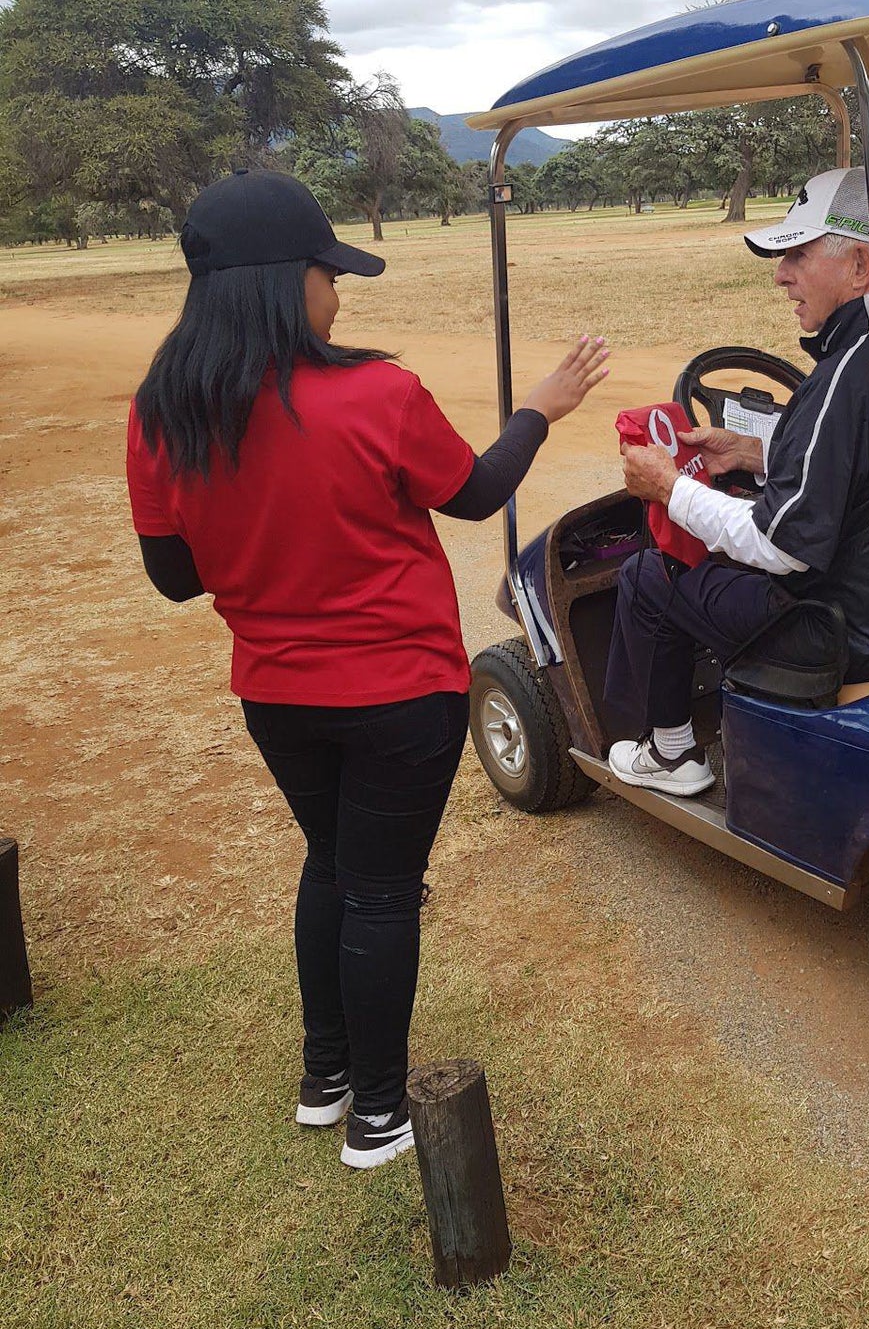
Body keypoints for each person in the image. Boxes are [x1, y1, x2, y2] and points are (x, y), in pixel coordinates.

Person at [126, 169, 608, 1169]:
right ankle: (379, 1114)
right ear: (277, 282)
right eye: (325, 272)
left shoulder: (161, 411)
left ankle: (326, 1077)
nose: (337, 294)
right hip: (401, 690)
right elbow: (473, 496)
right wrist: (541, 410)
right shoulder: (376, 392)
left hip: (274, 690)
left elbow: (173, 577)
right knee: (381, 889)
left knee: (332, 867)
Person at [604, 166, 869, 797]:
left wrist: (670, 488)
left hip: (847, 632)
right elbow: (866, 459)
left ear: (861, 266)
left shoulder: (850, 369)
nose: (780, 275)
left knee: (646, 577)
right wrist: (753, 453)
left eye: (798, 256)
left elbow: (779, 545)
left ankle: (671, 754)